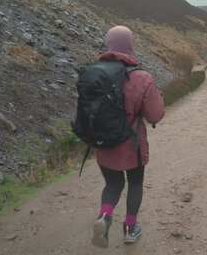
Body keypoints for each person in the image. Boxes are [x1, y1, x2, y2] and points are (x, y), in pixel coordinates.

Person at [91, 26, 165, 248]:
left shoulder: (94, 73)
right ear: (130, 45)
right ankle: (130, 228)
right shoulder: (142, 77)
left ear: (108, 44)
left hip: (103, 143)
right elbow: (155, 114)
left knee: (112, 184)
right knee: (134, 183)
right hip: (132, 146)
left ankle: (104, 216)